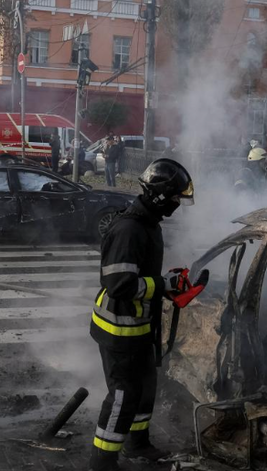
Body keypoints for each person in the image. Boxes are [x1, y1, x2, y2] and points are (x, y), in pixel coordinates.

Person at [89, 158, 196, 471]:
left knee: (146, 387)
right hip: (118, 330)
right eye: (175, 197)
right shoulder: (129, 230)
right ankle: (102, 462)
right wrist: (162, 284)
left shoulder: (147, 222)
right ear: (161, 195)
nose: (177, 203)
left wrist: (165, 284)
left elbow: (139, 273)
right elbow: (118, 284)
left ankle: (138, 444)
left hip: (138, 327)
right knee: (123, 395)